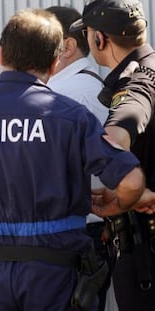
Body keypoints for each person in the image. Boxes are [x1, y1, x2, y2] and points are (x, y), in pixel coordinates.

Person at [0, 8, 145, 311]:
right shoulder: (68, 115)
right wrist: (116, 204)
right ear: (54, 62)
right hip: (55, 271)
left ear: (1, 54)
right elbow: (130, 181)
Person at [70, 0, 155, 310]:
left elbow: (115, 137)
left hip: (144, 250)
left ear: (98, 39)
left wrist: (127, 193)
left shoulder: (136, 81)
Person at [45, 6, 114, 311]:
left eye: (41, 40)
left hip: (79, 232)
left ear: (68, 46)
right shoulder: (77, 89)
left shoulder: (74, 94)